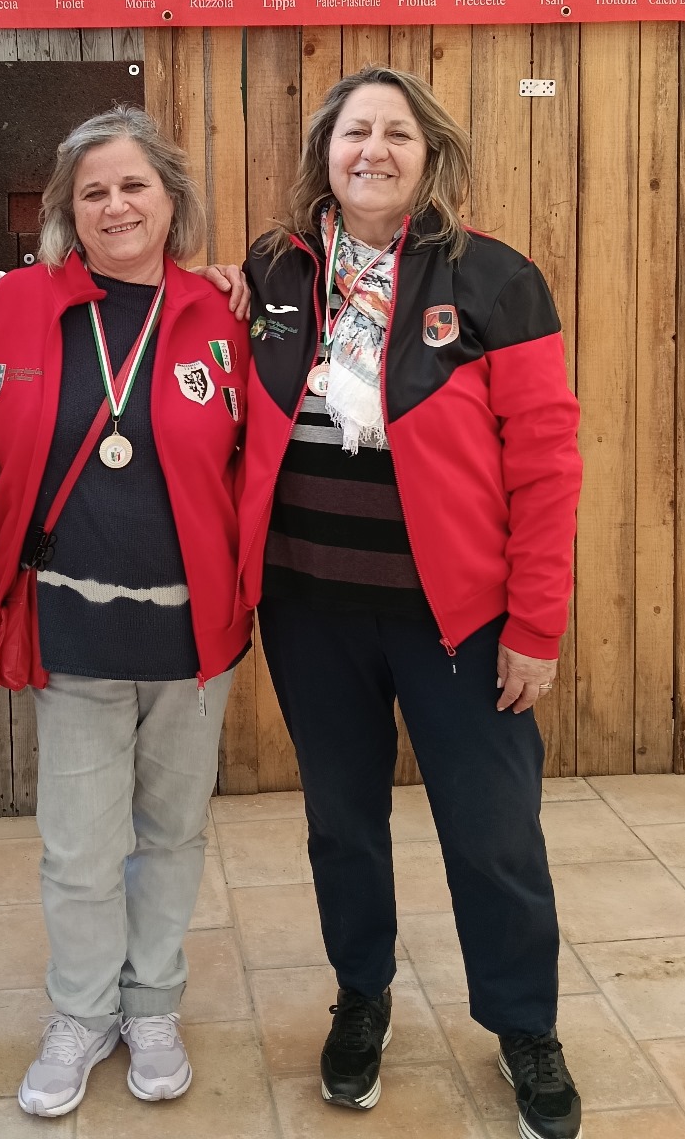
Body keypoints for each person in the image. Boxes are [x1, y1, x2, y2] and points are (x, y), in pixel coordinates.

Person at [237, 67, 584, 1139]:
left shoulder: (494, 278)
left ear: (429, 154)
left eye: (396, 133)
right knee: (342, 825)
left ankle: (524, 1026)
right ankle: (362, 996)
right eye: (355, 132)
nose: (373, 150)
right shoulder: (274, 269)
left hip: (459, 622)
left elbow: (547, 463)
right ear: (325, 152)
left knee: (492, 835)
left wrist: (535, 625)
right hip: (309, 609)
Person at [0, 107, 250, 1120]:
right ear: (65, 210)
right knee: (79, 846)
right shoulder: (13, 305)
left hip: (193, 634)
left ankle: (152, 1004)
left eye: (135, 185)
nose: (115, 205)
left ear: (172, 199)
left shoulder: (224, 314)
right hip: (70, 628)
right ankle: (82, 1012)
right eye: (93, 191)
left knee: (171, 832)